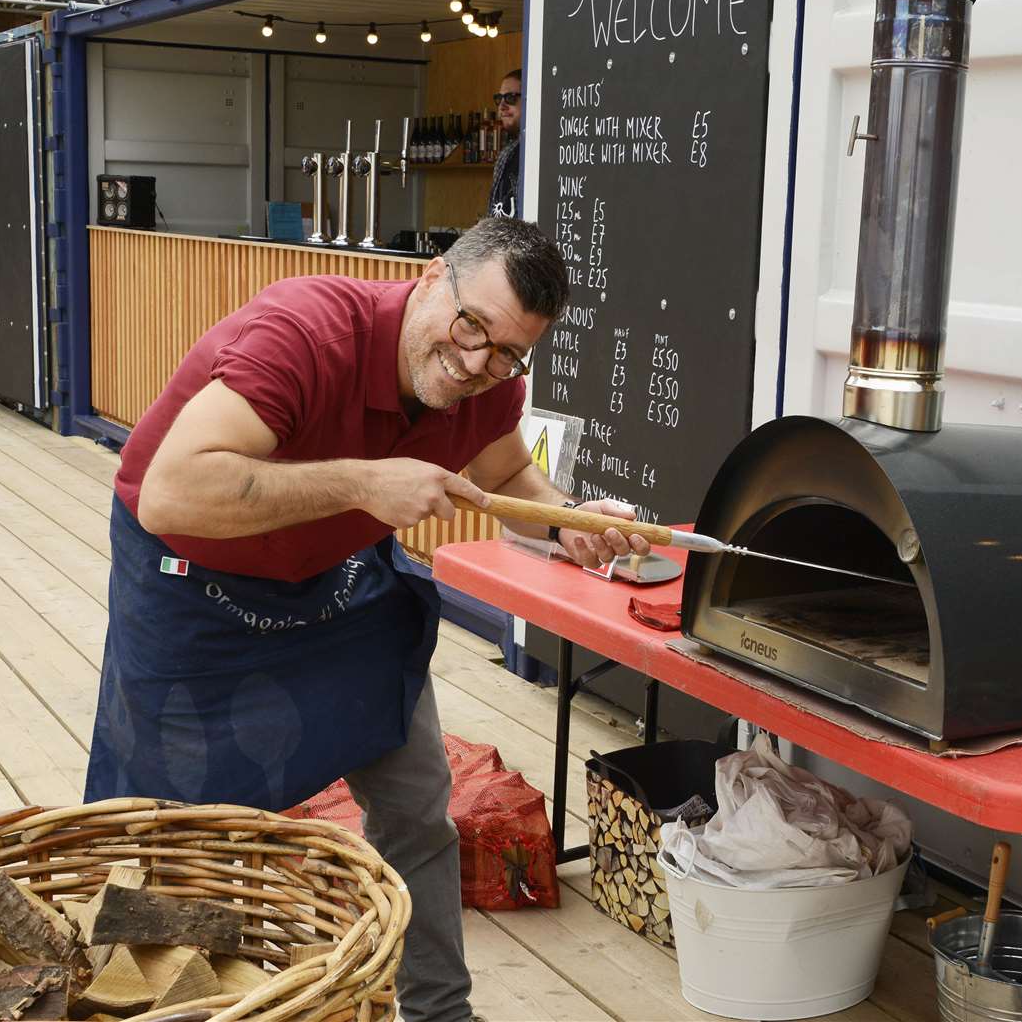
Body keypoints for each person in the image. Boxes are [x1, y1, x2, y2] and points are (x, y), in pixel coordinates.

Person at [83, 216, 648, 1022]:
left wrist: (571, 520)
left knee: (419, 806)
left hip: (338, 585)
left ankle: (440, 1014)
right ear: (428, 277)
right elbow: (176, 491)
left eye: (509, 352)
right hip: (192, 580)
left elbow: (509, 474)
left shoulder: (491, 386)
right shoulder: (305, 332)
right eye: (471, 325)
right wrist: (360, 484)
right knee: (175, 835)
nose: (477, 362)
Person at [487, 69, 522, 218]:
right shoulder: (507, 153)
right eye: (499, 99)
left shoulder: (541, 150)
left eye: (510, 98)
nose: (502, 106)